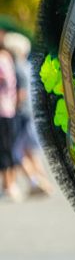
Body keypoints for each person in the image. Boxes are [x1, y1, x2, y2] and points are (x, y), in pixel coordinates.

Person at [4, 31, 52, 197]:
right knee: (32, 150)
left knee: (17, 150)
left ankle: (35, 182)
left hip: (21, 113)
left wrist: (14, 107)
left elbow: (21, 92)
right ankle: (42, 181)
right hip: (30, 112)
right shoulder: (28, 65)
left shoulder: (16, 66)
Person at [0, 29, 18, 202]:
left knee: (5, 149)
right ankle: (7, 184)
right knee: (6, 148)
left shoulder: (2, 58)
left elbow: (5, 80)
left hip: (3, 109)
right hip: (8, 108)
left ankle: (10, 184)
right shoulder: (7, 57)